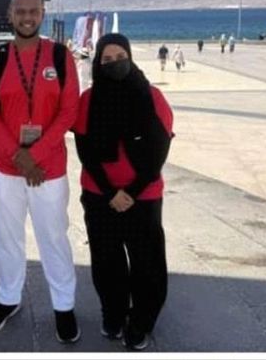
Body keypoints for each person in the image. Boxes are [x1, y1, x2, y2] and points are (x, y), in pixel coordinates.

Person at [0, 0, 81, 343]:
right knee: (6, 237)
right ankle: (8, 297)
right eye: (20, 10)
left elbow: (68, 112)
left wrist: (33, 156)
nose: (27, 17)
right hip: (5, 169)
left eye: (33, 10)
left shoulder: (60, 57)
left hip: (48, 169)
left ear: (42, 12)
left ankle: (64, 305)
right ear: (9, 13)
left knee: (53, 237)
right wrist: (19, 157)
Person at [72, 33, 173, 351]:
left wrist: (131, 191)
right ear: (98, 63)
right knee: (107, 261)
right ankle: (113, 314)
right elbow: (85, 152)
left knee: (146, 263)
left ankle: (140, 321)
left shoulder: (152, 96)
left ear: (130, 58)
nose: (114, 64)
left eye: (120, 58)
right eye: (107, 59)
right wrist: (110, 192)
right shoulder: (88, 100)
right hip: (100, 195)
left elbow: (159, 148)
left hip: (143, 196)